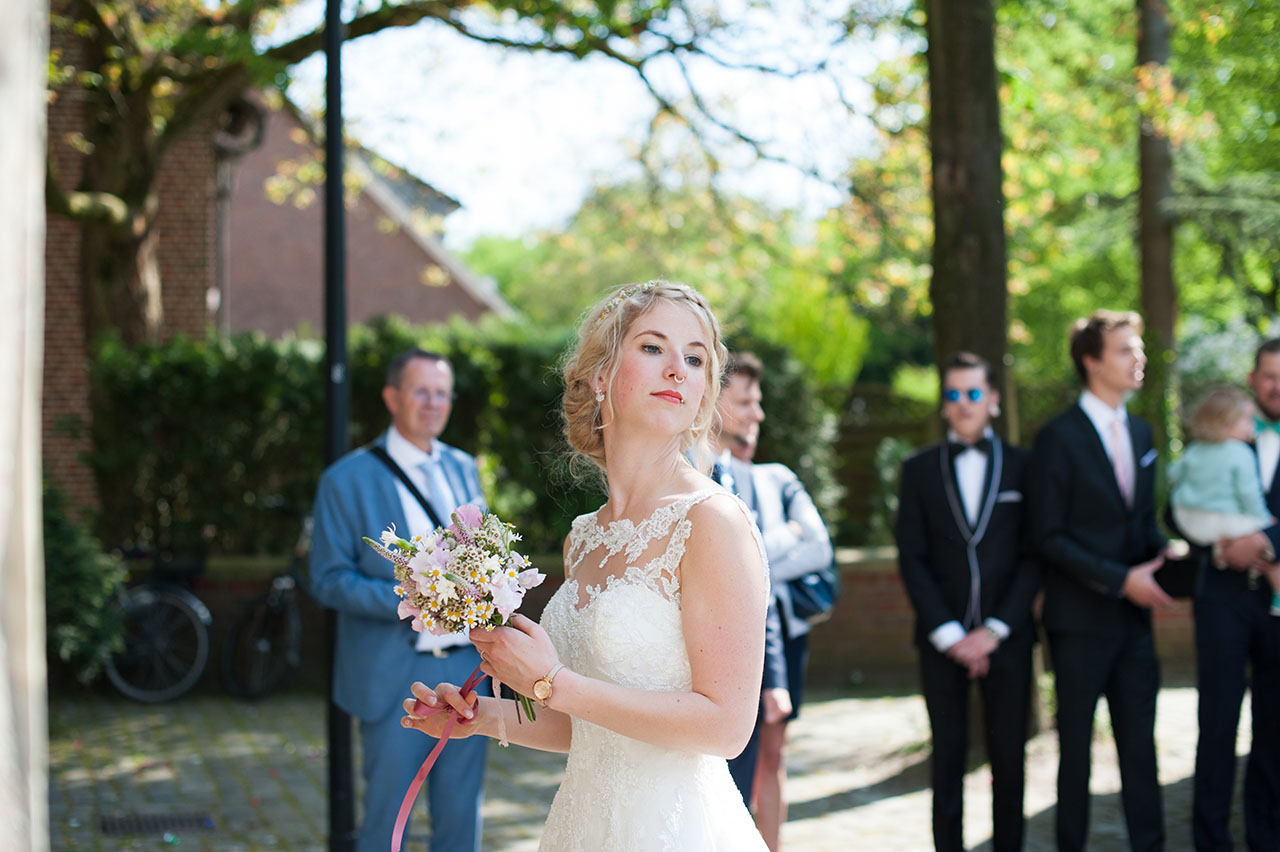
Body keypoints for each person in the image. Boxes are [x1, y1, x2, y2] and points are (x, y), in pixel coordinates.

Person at [401, 281, 771, 851]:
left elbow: (725, 728)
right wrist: (482, 718)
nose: (678, 369)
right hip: (585, 825)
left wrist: (551, 682)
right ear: (600, 375)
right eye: (653, 348)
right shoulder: (585, 538)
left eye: (695, 359)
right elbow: (589, 727)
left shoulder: (713, 522)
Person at [309, 348, 491, 852]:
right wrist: (410, 598)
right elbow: (327, 580)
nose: (433, 403)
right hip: (393, 678)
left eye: (442, 393)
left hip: (466, 672)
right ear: (392, 398)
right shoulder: (345, 480)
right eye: (420, 391)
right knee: (387, 825)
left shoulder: (462, 467)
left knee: (461, 823)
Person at [1029, 310, 1175, 852]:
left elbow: (1139, 522)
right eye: (1123, 349)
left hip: (1134, 625)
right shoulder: (1057, 438)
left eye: (1136, 347)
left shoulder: (1141, 430)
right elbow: (1048, 536)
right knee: (1076, 756)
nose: (1137, 357)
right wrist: (1119, 580)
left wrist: (1166, 556)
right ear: (1091, 362)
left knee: (1142, 750)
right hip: (1078, 624)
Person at [895, 351, 1038, 852]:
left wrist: (996, 628)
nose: (963, 404)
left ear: (994, 400)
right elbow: (911, 558)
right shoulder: (918, 469)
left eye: (973, 393)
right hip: (942, 640)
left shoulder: (1025, 466)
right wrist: (951, 635)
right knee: (948, 758)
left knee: (1009, 760)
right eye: (952, 395)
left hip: (1008, 638)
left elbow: (1033, 555)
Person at [715, 351, 834, 850]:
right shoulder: (711, 475)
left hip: (780, 634)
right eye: (745, 402)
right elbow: (761, 557)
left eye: (757, 402)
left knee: (771, 753)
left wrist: (756, 558)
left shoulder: (776, 477)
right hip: (726, 639)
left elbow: (819, 548)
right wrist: (774, 541)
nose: (755, 414)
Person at [1189, 339, 1280, 851]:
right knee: (1217, 725)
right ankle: (1211, 840)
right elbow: (1175, 507)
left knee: (1274, 730)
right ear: (1252, 379)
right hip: (1222, 598)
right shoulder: (1221, 430)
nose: (1277, 386)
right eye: (1269, 375)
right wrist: (1223, 551)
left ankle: (1267, 839)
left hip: (1278, 606)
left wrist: (1265, 541)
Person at [1169, 386, 1280, 617]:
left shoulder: (1195, 449)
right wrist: (1265, 522)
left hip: (1190, 517)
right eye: (1248, 420)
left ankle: (1221, 553)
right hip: (1225, 522)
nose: (1252, 425)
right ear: (1228, 424)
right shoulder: (1241, 453)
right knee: (1259, 535)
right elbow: (1249, 494)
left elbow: (1174, 474)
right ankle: (1275, 584)